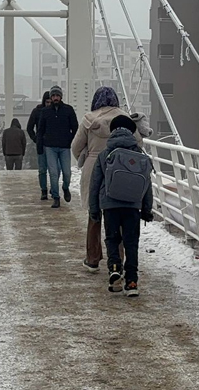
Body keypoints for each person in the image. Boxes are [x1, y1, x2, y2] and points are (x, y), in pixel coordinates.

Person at [72, 86, 138, 272]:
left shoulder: (89, 120)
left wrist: (85, 157)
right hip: (119, 168)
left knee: (94, 214)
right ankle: (118, 259)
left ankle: (92, 258)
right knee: (118, 213)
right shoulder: (124, 119)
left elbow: (76, 147)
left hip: (93, 167)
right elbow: (137, 143)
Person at [89, 114, 154, 297]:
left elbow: (95, 184)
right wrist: (146, 209)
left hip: (110, 204)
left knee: (112, 239)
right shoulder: (140, 155)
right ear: (132, 132)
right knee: (131, 242)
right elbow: (147, 184)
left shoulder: (105, 154)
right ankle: (132, 282)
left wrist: (94, 209)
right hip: (132, 205)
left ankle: (115, 268)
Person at [36, 86, 78, 208]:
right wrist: (40, 145)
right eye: (53, 96)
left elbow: (75, 128)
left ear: (61, 97)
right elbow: (40, 130)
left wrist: (71, 140)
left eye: (57, 95)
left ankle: (65, 187)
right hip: (50, 147)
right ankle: (56, 197)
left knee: (67, 173)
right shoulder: (45, 112)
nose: (55, 98)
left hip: (65, 147)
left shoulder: (68, 110)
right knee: (53, 173)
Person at [26, 91, 51, 200]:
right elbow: (29, 128)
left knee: (54, 169)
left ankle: (53, 187)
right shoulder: (37, 112)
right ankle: (43, 190)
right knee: (42, 169)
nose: (48, 104)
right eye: (47, 102)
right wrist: (36, 139)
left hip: (53, 144)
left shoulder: (55, 112)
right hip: (41, 144)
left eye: (50, 102)